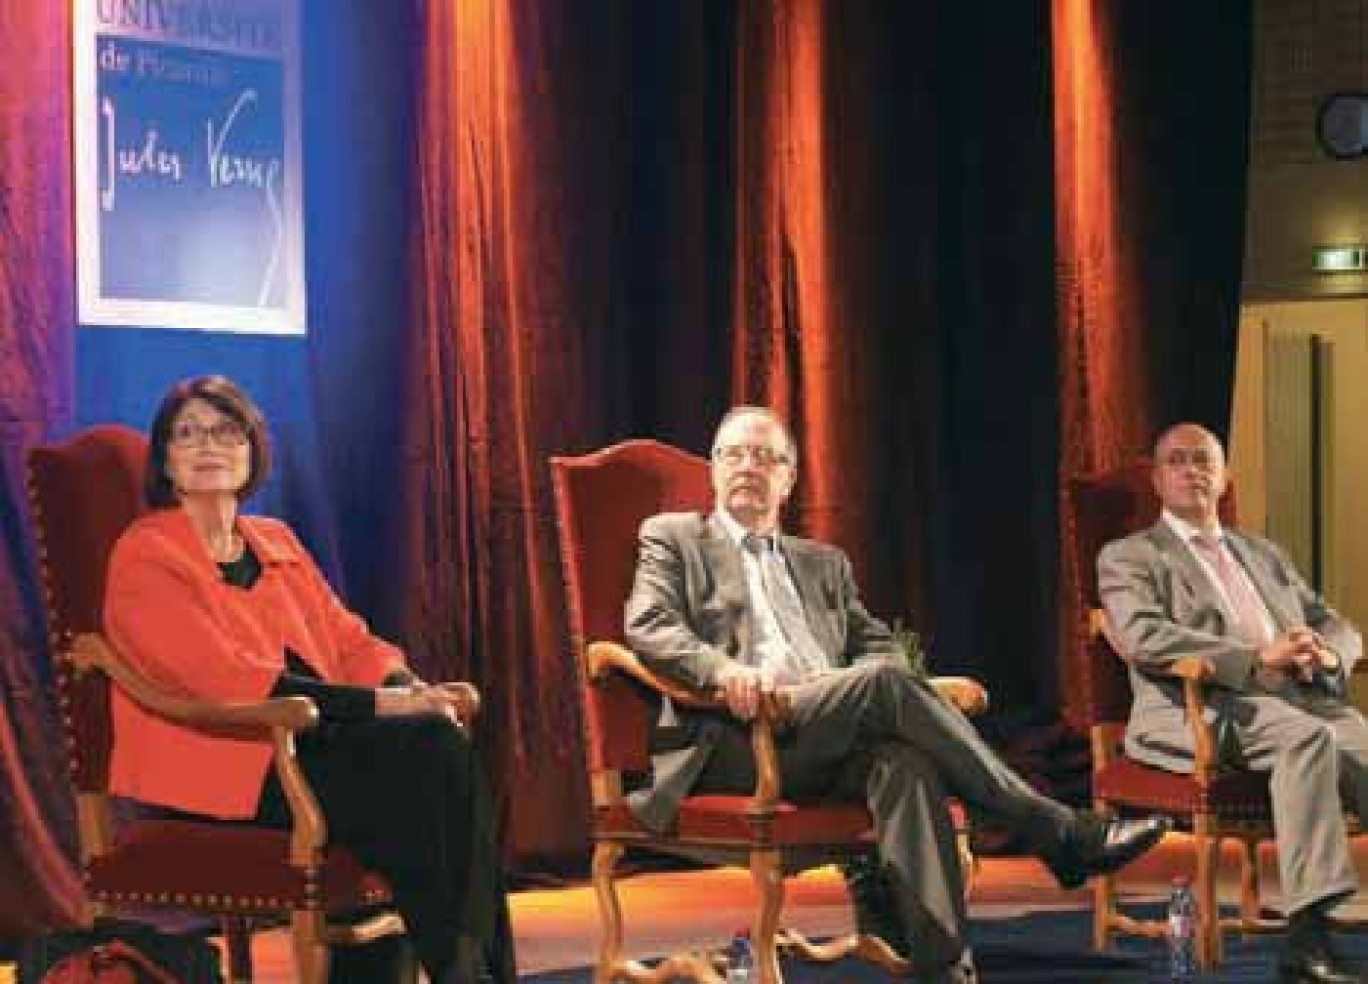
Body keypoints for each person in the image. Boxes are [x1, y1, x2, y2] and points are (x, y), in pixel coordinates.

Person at [625, 405, 1168, 984]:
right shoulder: (675, 537)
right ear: (712, 470)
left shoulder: (822, 564)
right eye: (733, 454)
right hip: (733, 738)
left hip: (820, 730)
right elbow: (648, 626)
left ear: (788, 479)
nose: (747, 467)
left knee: (903, 763)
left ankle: (943, 967)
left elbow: (880, 647)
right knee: (883, 685)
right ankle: (1056, 830)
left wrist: (885, 687)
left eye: (765, 457)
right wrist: (721, 669)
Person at [102, 376, 515, 984]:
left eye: (224, 430)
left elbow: (350, 641)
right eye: (186, 433)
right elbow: (224, 680)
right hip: (224, 766)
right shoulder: (146, 553)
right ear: (164, 459)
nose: (207, 445)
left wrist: (412, 687)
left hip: (314, 749)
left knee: (435, 746)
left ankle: (463, 973)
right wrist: (390, 705)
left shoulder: (276, 541)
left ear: (251, 450)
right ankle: (469, 975)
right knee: (426, 758)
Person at [1099, 422, 1368, 984]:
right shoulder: (1130, 556)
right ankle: (1308, 935)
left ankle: (1321, 916)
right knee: (1309, 739)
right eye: (1177, 461)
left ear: (1224, 479)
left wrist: (1329, 655)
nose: (1192, 470)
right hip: (1202, 706)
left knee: (1355, 740)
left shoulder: (1261, 553)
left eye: (1204, 461)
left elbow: (1331, 620)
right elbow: (1145, 636)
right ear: (1156, 478)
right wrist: (1257, 656)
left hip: (1297, 697)